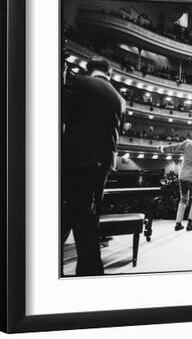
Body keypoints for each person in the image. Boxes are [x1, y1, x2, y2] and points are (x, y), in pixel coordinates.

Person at [61, 57, 126, 276]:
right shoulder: (119, 98)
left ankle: (90, 270)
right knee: (86, 215)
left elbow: (61, 111)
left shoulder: (79, 82)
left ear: (90, 70)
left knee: (75, 213)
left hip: (76, 158)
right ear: (110, 73)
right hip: (104, 164)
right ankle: (89, 270)